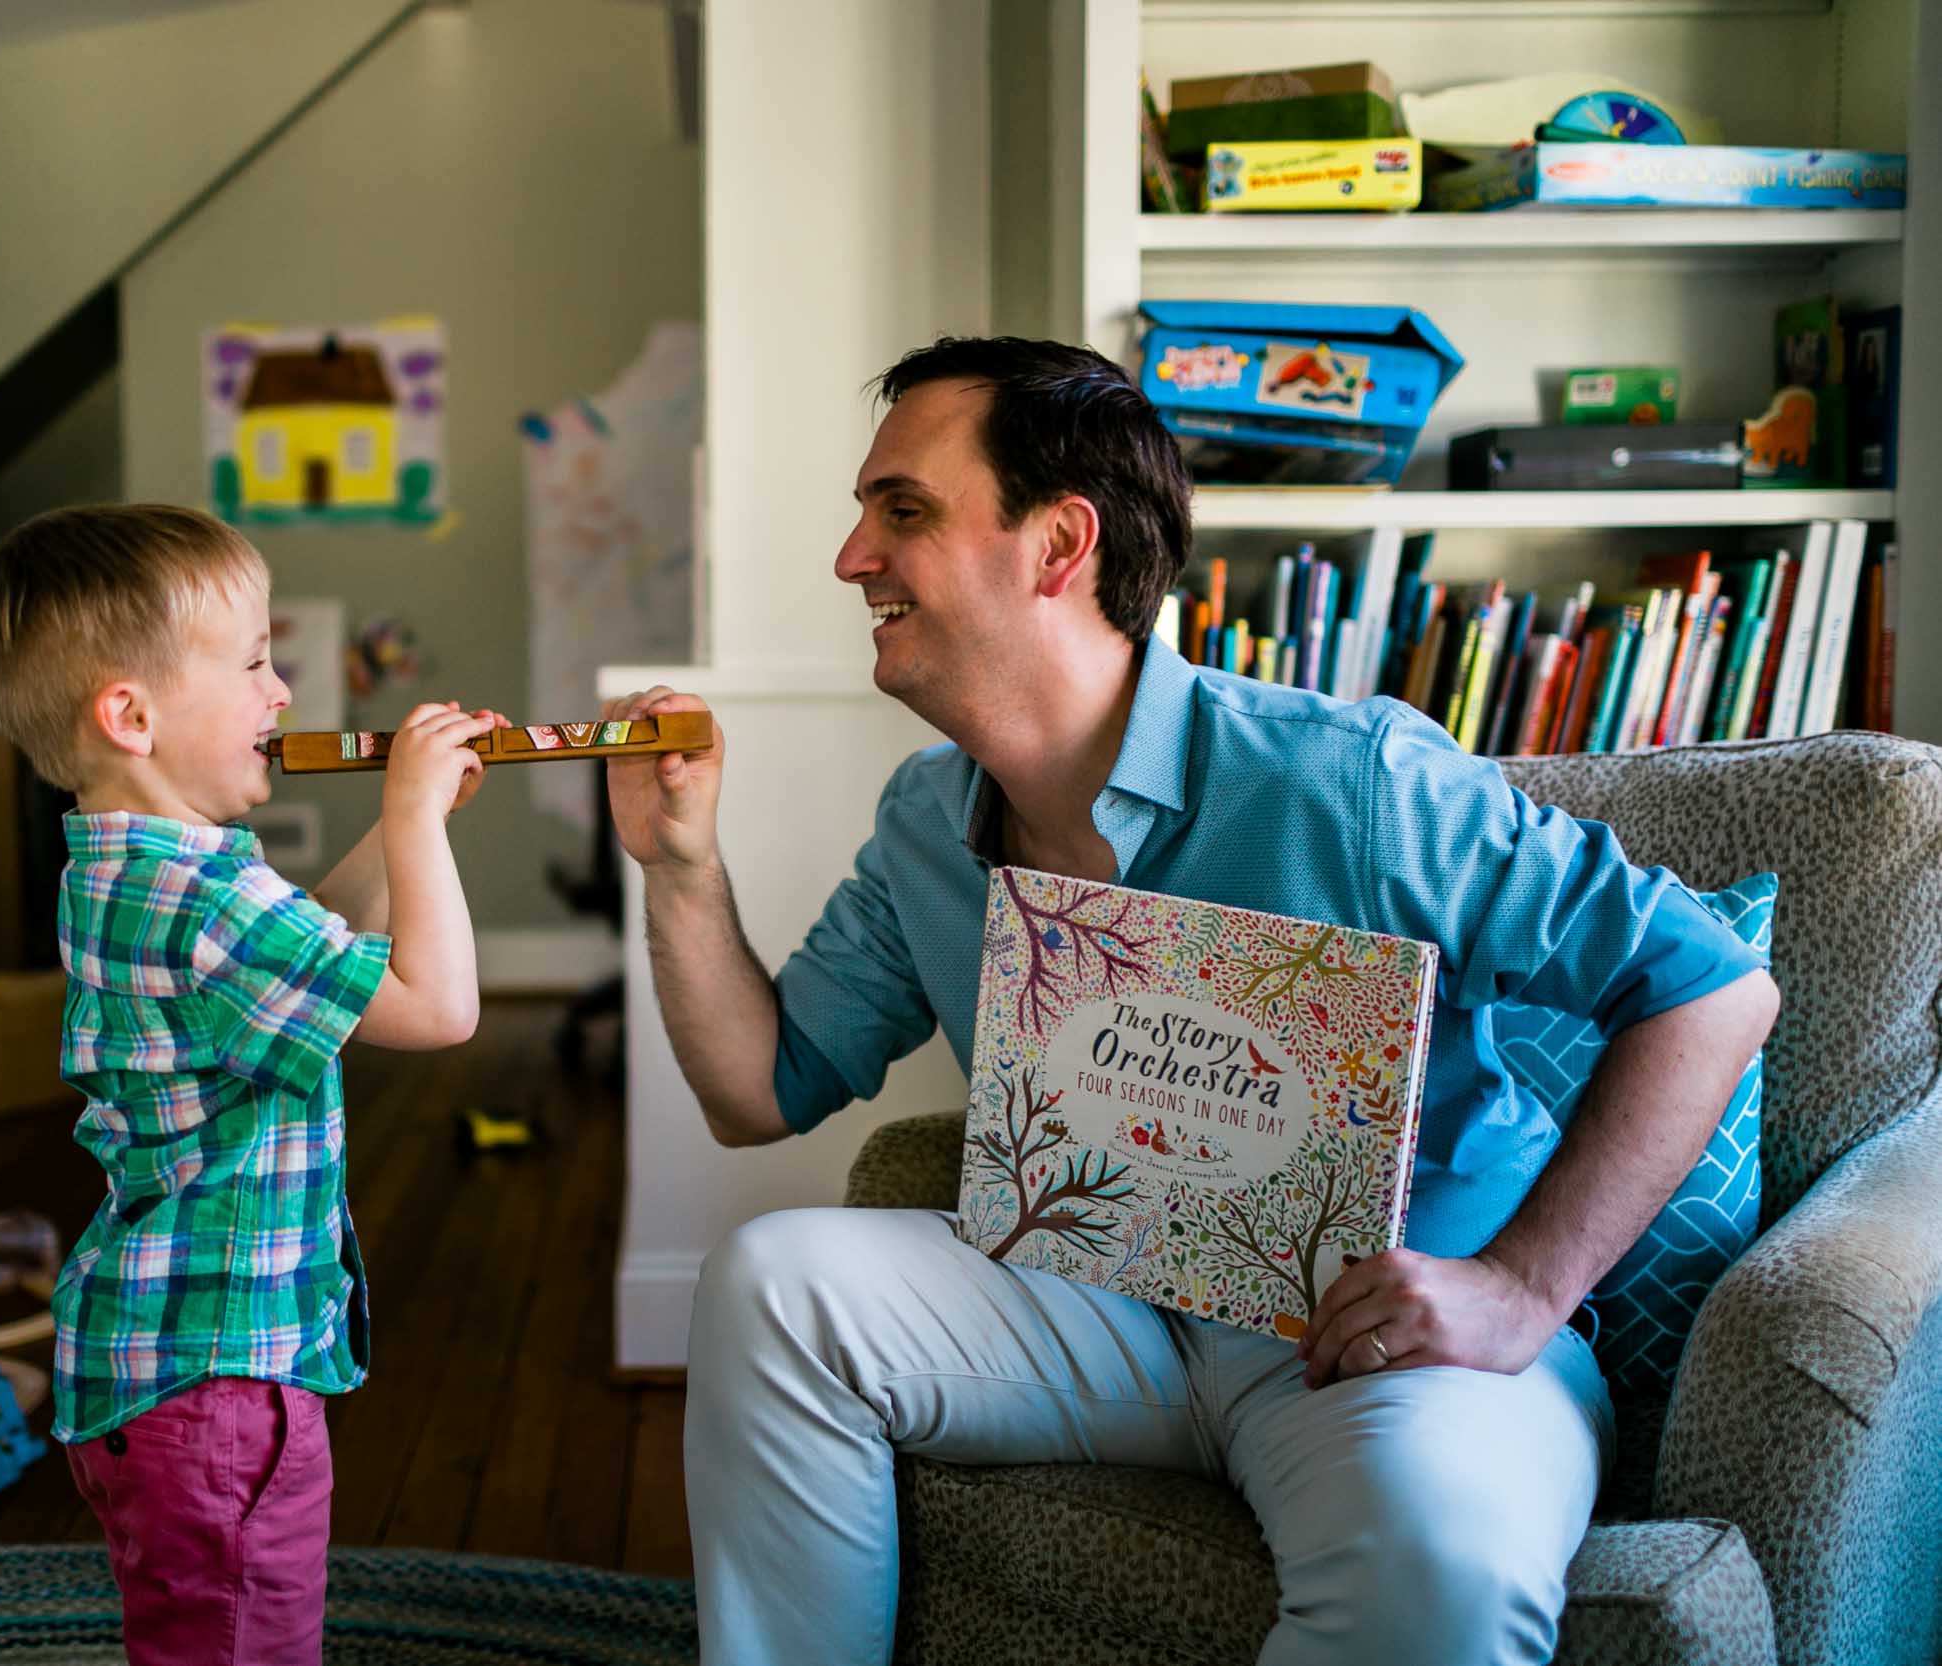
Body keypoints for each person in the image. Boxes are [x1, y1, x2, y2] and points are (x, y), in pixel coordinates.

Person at [601, 338, 1780, 1666]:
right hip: (1095, 1298)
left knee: (1442, 1561)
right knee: (772, 1280)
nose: (852, 556)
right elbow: (763, 1087)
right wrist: (682, 867)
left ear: (1059, 545)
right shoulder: (930, 822)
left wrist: (1517, 1288)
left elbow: (1712, 987)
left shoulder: (1354, 780)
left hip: (1380, 1333)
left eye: (904, 510)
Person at [0, 503, 504, 1666]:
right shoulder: (200, 903)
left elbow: (318, 952)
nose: (281, 694)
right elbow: (436, 1007)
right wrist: (413, 823)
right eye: (254, 662)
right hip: (219, 1386)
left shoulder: (137, 867)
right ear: (131, 714)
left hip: (166, 1365)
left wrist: (409, 826)